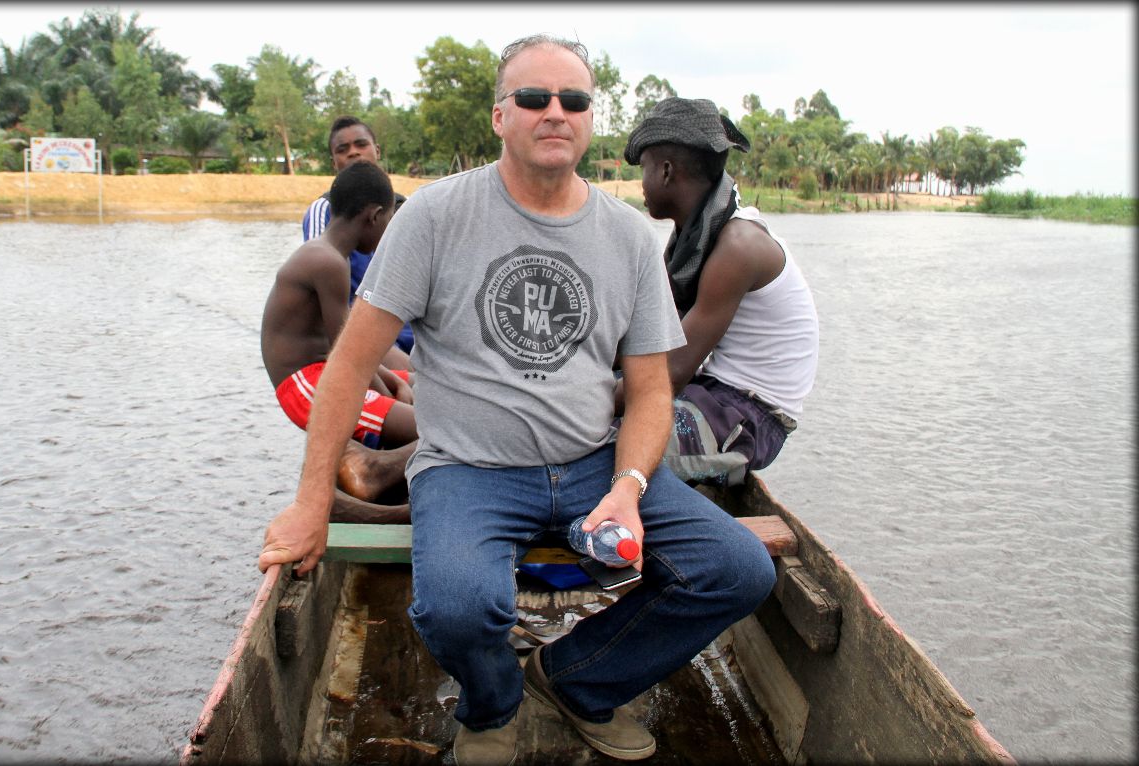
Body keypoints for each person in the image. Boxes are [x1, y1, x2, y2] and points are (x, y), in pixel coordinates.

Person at [259, 35, 776, 766]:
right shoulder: (435, 217)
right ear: (501, 115)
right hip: (469, 468)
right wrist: (312, 501)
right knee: (458, 607)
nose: (554, 112)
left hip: (596, 461)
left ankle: (578, 680)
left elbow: (654, 392)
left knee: (738, 570)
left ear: (591, 119)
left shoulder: (627, 236)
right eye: (534, 98)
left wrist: (629, 487)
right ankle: (492, 704)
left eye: (574, 100)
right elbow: (348, 366)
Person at [619, 97, 819, 485]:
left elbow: (671, 372)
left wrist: (576, 407)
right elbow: (650, 331)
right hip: (713, 388)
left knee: (606, 443)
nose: (640, 184)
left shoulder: (738, 246)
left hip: (750, 415)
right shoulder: (695, 238)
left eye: (642, 169)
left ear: (665, 172)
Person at [261, 160, 418, 505]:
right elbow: (350, 356)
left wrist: (397, 382)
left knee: (423, 384)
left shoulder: (332, 255)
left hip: (325, 373)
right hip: (307, 387)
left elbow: (350, 348)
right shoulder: (328, 263)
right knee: (441, 429)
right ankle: (371, 472)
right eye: (390, 221)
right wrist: (391, 398)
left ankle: (380, 463)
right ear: (374, 216)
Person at [303, 115, 416, 358]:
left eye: (361, 145)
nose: (353, 153)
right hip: (362, 335)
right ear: (334, 162)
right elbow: (318, 294)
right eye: (343, 150)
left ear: (376, 150)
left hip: (412, 334)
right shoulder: (323, 210)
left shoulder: (405, 208)